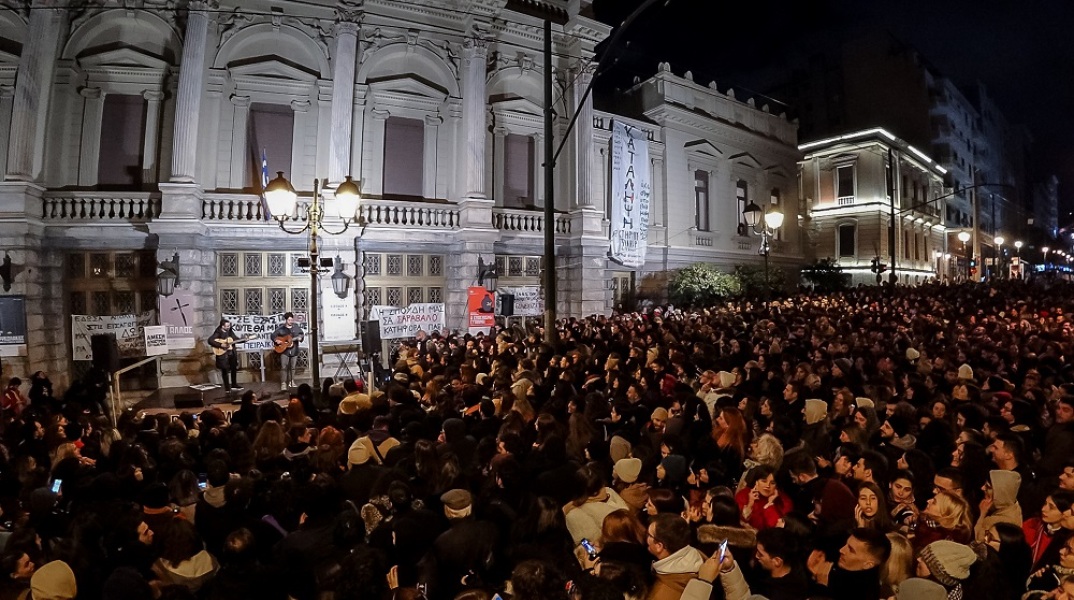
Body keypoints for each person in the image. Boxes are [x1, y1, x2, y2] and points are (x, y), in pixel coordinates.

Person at [807, 527, 890, 600]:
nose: (841, 550)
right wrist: (813, 574)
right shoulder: (839, 563)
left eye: (851, 550)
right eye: (846, 544)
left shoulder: (864, 593)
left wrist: (821, 586)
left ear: (868, 565)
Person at [208, 318, 244, 394]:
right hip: (223, 355)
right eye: (227, 326)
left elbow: (235, 339)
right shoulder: (218, 332)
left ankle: (234, 384)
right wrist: (221, 345)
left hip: (231, 353)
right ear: (222, 326)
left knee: (234, 368)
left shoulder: (230, 331)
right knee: (225, 370)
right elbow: (210, 340)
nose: (229, 327)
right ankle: (227, 388)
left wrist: (244, 340)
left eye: (229, 325)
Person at [273, 312, 304, 390]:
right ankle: (283, 383)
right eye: (289, 320)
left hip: (294, 350)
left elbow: (301, 334)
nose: (291, 321)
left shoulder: (296, 328)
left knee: (293, 367)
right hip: (284, 351)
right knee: (284, 367)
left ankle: (291, 381)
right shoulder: (281, 329)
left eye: (291, 319)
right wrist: (276, 340)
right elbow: (273, 336)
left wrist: (300, 338)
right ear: (286, 320)